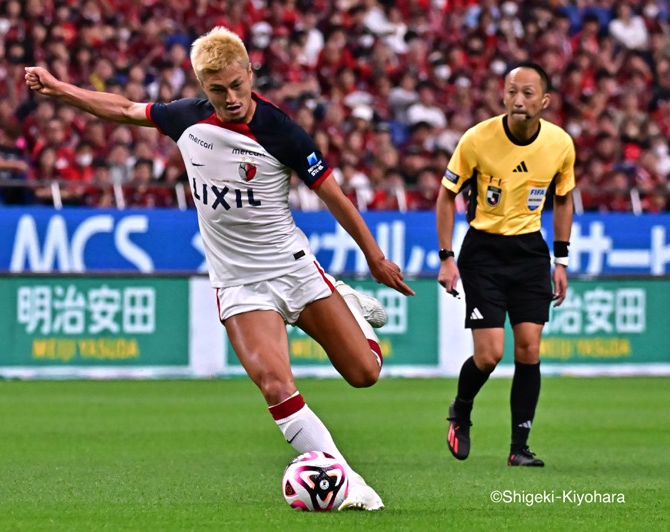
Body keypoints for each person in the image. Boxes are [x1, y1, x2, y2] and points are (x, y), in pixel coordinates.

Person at [25, 26, 415, 510]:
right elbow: (124, 109)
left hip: (292, 268)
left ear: (251, 72)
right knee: (275, 385)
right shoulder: (187, 119)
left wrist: (375, 258)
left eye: (237, 84)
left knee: (365, 373)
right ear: (202, 86)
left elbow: (335, 197)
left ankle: (347, 300)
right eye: (217, 90)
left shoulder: (282, 131)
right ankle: (348, 482)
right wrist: (59, 88)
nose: (230, 98)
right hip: (238, 283)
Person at [435, 61, 575, 467]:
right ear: (503, 96)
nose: (519, 99)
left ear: (544, 101)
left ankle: (519, 448)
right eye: (512, 91)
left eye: (528, 93)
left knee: (529, 348)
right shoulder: (477, 139)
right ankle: (461, 410)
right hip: (483, 253)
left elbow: (564, 197)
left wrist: (561, 260)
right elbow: (446, 196)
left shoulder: (560, 144)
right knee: (490, 354)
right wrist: (446, 258)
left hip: (530, 252)